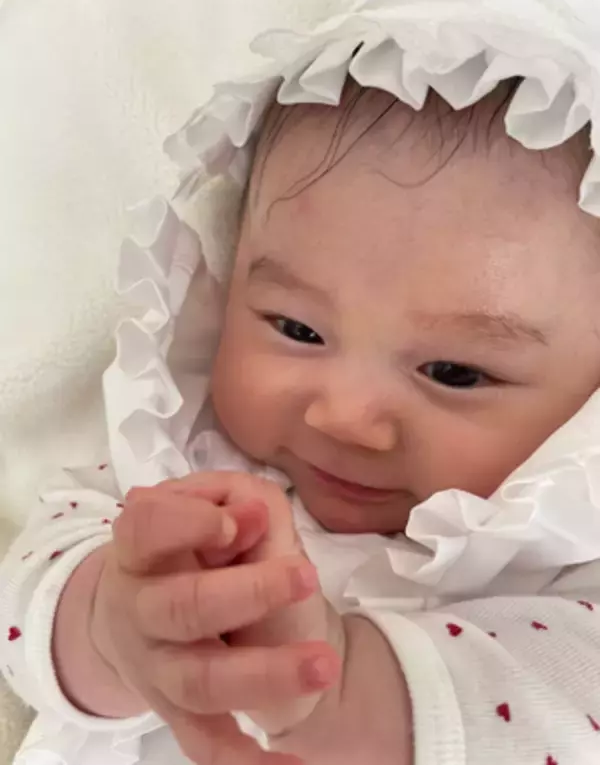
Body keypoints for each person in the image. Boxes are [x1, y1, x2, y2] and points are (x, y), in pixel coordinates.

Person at [3, 74, 600, 764]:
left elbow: (572, 705)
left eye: (454, 373)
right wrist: (110, 627)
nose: (343, 418)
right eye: (297, 329)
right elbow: (24, 601)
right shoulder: (179, 468)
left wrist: (352, 697)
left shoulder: (565, 568)